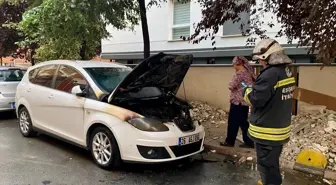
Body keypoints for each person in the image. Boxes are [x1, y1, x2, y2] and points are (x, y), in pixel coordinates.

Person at [242, 38, 295, 185]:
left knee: (267, 166)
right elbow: (274, 95)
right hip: (279, 128)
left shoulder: (269, 74)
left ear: (268, 56)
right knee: (272, 163)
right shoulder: (287, 71)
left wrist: (246, 92)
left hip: (267, 132)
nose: (260, 63)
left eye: (261, 60)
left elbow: (256, 100)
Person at [220, 56, 256, 148]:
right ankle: (249, 141)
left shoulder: (239, 73)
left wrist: (232, 83)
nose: (233, 66)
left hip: (237, 102)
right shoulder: (248, 72)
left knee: (233, 123)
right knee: (243, 123)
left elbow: (231, 86)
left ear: (237, 64)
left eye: (233, 64)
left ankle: (230, 142)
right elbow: (246, 85)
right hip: (245, 101)